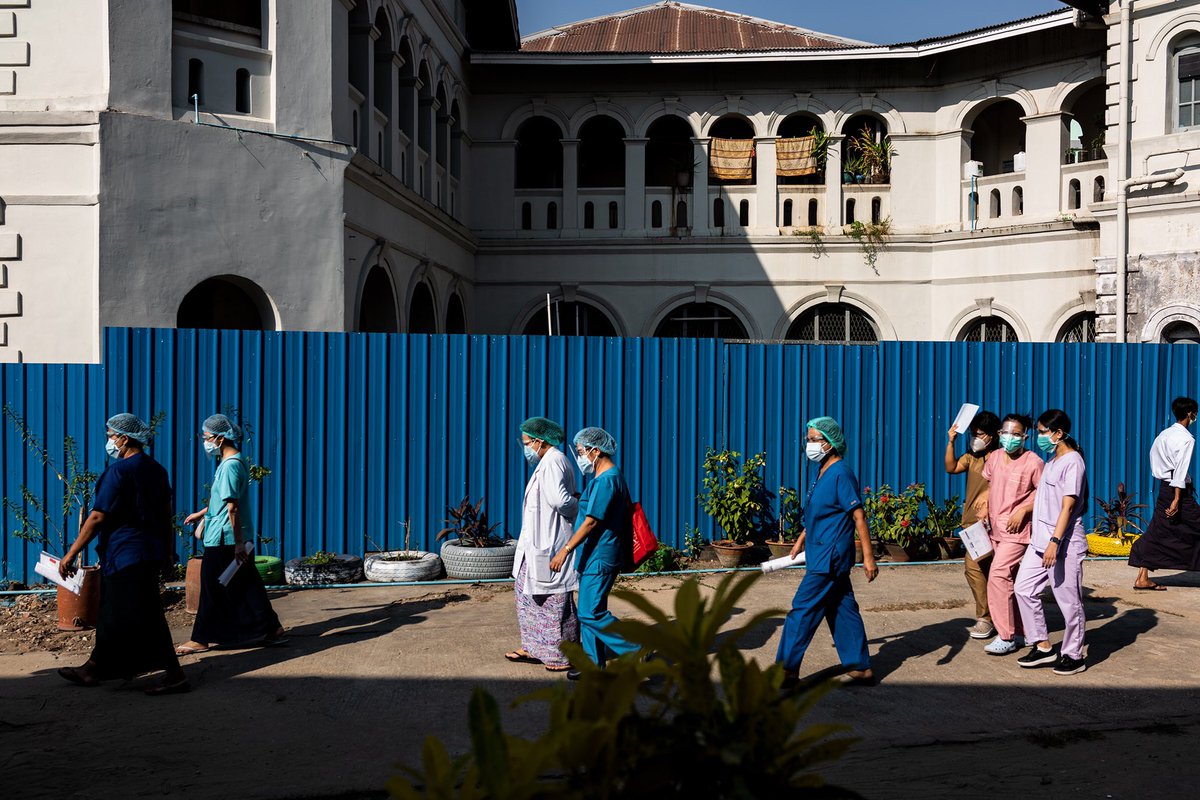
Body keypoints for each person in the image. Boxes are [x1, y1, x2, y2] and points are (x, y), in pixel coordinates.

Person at [56, 413, 189, 695]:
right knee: (111, 613)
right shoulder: (157, 470)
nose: (110, 441)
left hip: (127, 555)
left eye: (111, 436)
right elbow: (166, 516)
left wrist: (71, 554)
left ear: (125, 438)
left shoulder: (119, 471)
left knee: (147, 615)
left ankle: (175, 675)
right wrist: (168, 553)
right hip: (148, 553)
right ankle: (94, 668)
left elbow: (97, 517)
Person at [777, 416, 879, 687]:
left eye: (814, 440)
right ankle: (860, 667)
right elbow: (821, 513)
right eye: (807, 439)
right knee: (841, 606)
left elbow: (858, 516)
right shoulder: (822, 470)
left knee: (802, 610)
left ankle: (786, 671)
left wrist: (869, 558)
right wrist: (800, 539)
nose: (809, 444)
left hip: (829, 556)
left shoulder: (841, 473)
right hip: (820, 549)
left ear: (830, 443)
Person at [174, 414, 284, 655]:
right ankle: (271, 627)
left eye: (207, 437)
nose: (205, 442)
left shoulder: (231, 466)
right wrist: (201, 512)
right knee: (246, 583)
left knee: (212, 587)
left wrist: (236, 545)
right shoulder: (235, 462)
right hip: (229, 535)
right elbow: (223, 500)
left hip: (225, 538)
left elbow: (232, 507)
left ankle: (200, 639)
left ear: (220, 438)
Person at [548, 426, 638, 680]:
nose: (579, 457)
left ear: (595, 451)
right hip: (593, 556)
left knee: (591, 613)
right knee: (589, 612)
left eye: (580, 452)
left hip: (600, 556)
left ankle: (635, 648)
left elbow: (591, 521)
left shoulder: (608, 480)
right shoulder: (603, 479)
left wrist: (565, 550)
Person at [1014, 409, 1089, 676]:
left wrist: (1055, 542)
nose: (1040, 437)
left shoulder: (1073, 462)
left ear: (1058, 433)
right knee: (1023, 589)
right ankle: (1043, 646)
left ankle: (1073, 654)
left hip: (1063, 542)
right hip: (1040, 541)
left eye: (1043, 432)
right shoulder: (1052, 460)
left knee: (1068, 601)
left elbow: (1068, 507)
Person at [507, 416, 580, 673]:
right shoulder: (548, 462)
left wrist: (578, 506)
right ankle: (533, 646)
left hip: (549, 543)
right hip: (536, 544)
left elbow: (561, 501)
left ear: (540, 441)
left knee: (553, 603)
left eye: (527, 443)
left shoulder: (554, 461)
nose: (525, 447)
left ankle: (560, 655)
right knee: (527, 597)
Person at [980, 414, 1043, 655]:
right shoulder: (995, 457)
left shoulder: (1033, 462)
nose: (1010, 438)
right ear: (999, 434)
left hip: (1017, 531)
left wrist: (1025, 509)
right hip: (995, 528)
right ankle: (1022, 631)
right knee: (1011, 581)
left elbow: (1045, 493)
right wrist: (983, 506)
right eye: (1006, 433)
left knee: (998, 575)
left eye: (1016, 434)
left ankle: (1005, 635)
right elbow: (989, 486)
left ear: (1026, 437)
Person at [1130, 397, 1200, 590]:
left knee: (1159, 531)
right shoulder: (1187, 439)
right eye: (1195, 413)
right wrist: (1177, 499)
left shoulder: (1164, 435)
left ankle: (1142, 577)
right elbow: (1179, 470)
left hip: (1164, 487)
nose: (1195, 416)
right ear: (1190, 414)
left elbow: (1155, 459)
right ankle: (1143, 576)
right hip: (1178, 493)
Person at [944, 410, 1001, 640]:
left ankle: (998, 617)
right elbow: (951, 467)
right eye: (973, 434)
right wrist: (951, 441)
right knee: (975, 568)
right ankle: (986, 617)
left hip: (997, 524)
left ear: (993, 435)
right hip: (974, 526)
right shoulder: (971, 457)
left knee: (995, 571)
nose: (976, 438)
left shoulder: (1001, 457)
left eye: (980, 434)